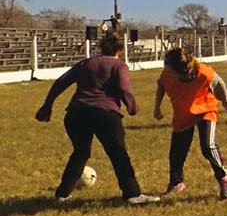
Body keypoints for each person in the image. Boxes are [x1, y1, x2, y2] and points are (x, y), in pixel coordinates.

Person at [35, 34, 160, 205]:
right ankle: (132, 194)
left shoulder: (86, 63)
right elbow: (124, 86)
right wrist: (131, 105)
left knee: (80, 152)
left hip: (76, 113)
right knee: (118, 154)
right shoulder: (118, 65)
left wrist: (47, 105)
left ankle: (62, 194)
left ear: (101, 48)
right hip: (105, 114)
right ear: (120, 51)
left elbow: (61, 82)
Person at [154, 48, 227, 200]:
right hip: (183, 112)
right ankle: (176, 183)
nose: (166, 71)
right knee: (176, 152)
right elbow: (161, 86)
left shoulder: (203, 72)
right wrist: (157, 106)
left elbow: (219, 84)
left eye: (169, 69)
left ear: (179, 72)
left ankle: (224, 178)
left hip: (206, 109)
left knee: (207, 146)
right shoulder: (167, 73)